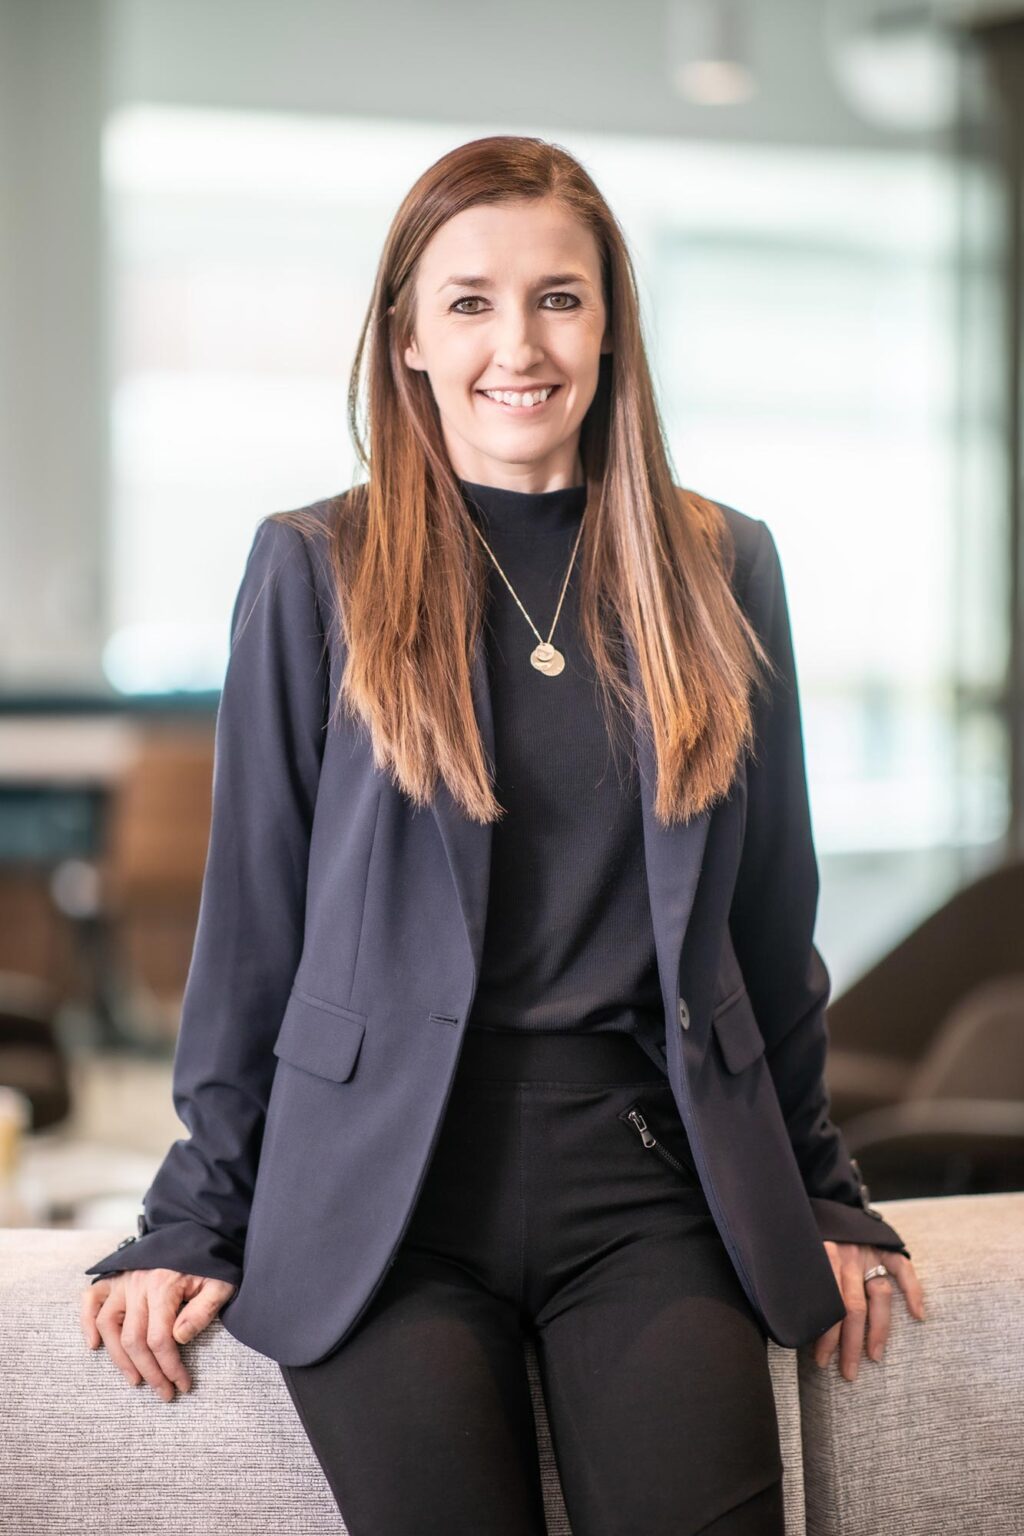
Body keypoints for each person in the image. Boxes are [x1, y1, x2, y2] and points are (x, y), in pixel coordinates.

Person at [80, 135, 927, 1535]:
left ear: (609, 325)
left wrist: (825, 1190)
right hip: (386, 1200)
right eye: (468, 300)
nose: (516, 343)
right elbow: (252, 929)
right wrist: (193, 1215)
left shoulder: (721, 564)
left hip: (650, 1184)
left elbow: (772, 923)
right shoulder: (317, 567)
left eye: (559, 297)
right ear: (407, 335)